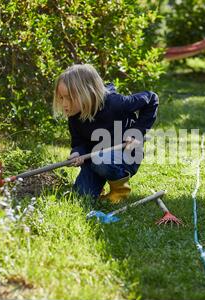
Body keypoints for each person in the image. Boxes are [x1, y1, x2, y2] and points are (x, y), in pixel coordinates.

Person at [52, 64, 159, 203]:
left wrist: (136, 133)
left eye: (69, 98)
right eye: (61, 98)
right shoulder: (74, 116)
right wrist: (77, 153)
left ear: (87, 92)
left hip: (125, 156)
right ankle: (98, 185)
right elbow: (79, 142)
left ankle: (120, 190)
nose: (64, 103)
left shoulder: (115, 103)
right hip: (95, 159)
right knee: (81, 197)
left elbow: (151, 99)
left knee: (101, 160)